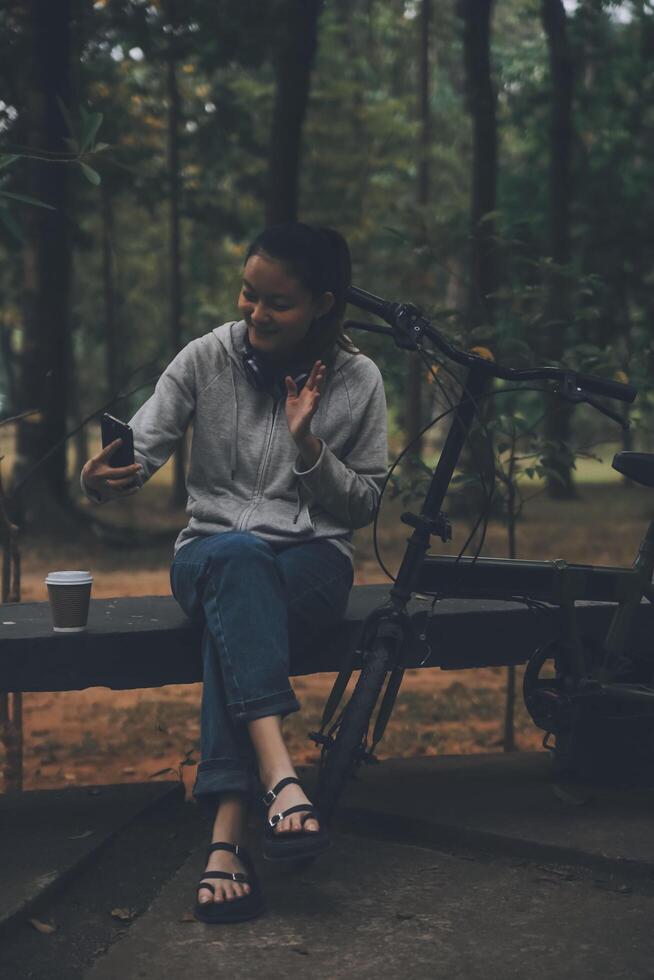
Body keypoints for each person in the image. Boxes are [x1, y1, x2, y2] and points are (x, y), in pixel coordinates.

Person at [80, 222, 388, 923]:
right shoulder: (206, 358)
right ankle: (280, 781)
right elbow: (141, 449)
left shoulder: (358, 379)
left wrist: (307, 444)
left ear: (322, 304)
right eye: (249, 294)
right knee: (238, 562)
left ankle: (228, 835)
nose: (254, 313)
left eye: (276, 302)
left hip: (312, 563)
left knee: (237, 617)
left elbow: (366, 503)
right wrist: (100, 478)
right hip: (209, 554)